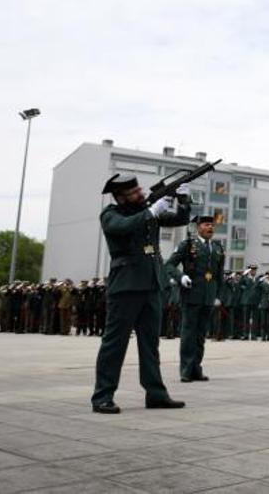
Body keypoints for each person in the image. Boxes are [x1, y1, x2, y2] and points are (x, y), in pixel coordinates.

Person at [91, 173, 188, 413]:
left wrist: (184, 199)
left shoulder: (148, 211)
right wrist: (151, 212)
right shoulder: (111, 214)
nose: (140, 194)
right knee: (115, 344)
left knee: (150, 343)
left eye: (139, 190)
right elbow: (123, 227)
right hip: (126, 286)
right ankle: (102, 396)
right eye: (134, 192)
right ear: (121, 197)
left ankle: (155, 394)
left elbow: (180, 219)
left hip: (152, 284)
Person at [166, 215, 225, 382]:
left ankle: (196, 368)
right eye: (207, 225)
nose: (210, 228)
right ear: (199, 227)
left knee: (201, 335)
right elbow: (169, 265)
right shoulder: (188, 244)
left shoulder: (218, 247)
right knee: (188, 333)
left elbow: (219, 275)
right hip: (192, 294)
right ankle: (186, 370)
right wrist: (181, 277)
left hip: (208, 296)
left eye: (212, 225)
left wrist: (218, 296)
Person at [239, 264, 260, 340]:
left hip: (255, 301)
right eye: (252, 270)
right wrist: (244, 274)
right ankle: (245, 334)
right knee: (245, 319)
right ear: (249, 271)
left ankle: (254, 335)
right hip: (246, 301)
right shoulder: (245, 278)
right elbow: (239, 284)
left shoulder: (258, 279)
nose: (253, 271)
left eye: (254, 270)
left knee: (255, 319)